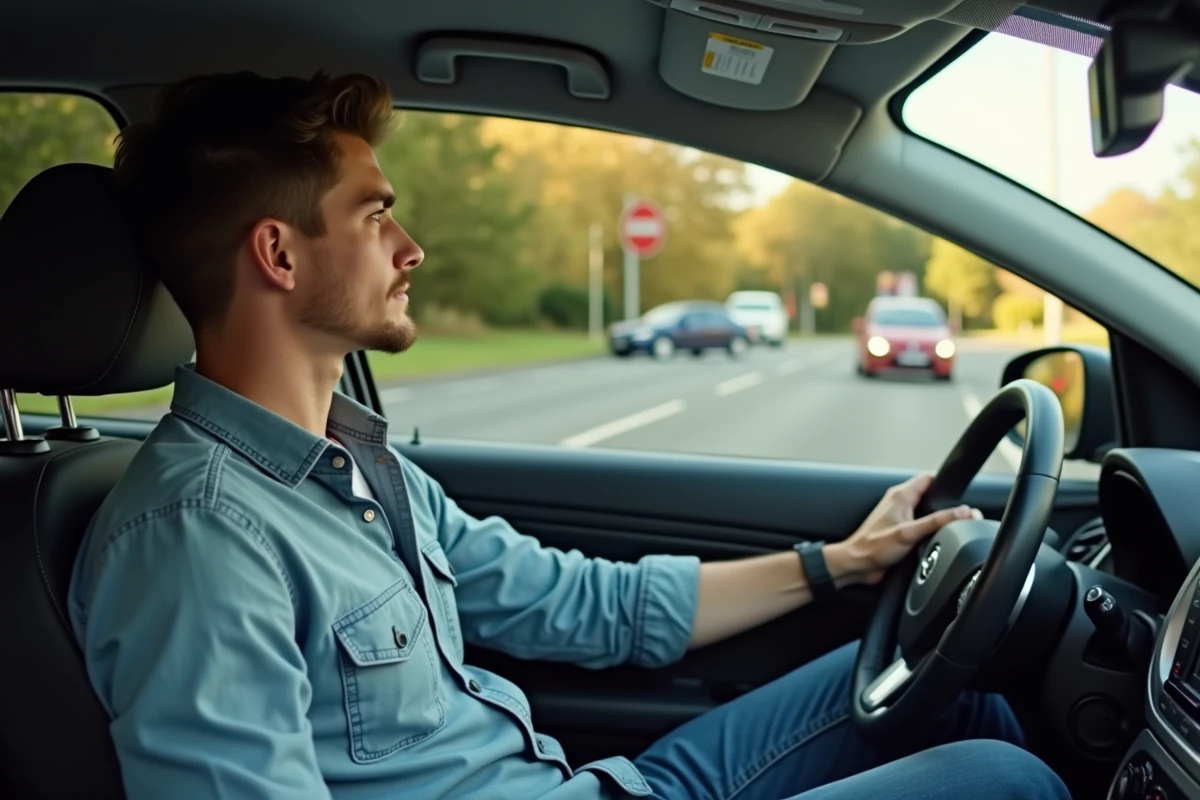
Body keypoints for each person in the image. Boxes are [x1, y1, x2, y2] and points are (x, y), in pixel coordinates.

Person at [67, 71, 1071, 800]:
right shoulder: (196, 538)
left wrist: (839, 561)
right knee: (1004, 777)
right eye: (375, 217)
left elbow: (587, 602)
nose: (412, 248)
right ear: (278, 253)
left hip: (598, 782)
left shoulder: (364, 470)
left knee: (956, 696)